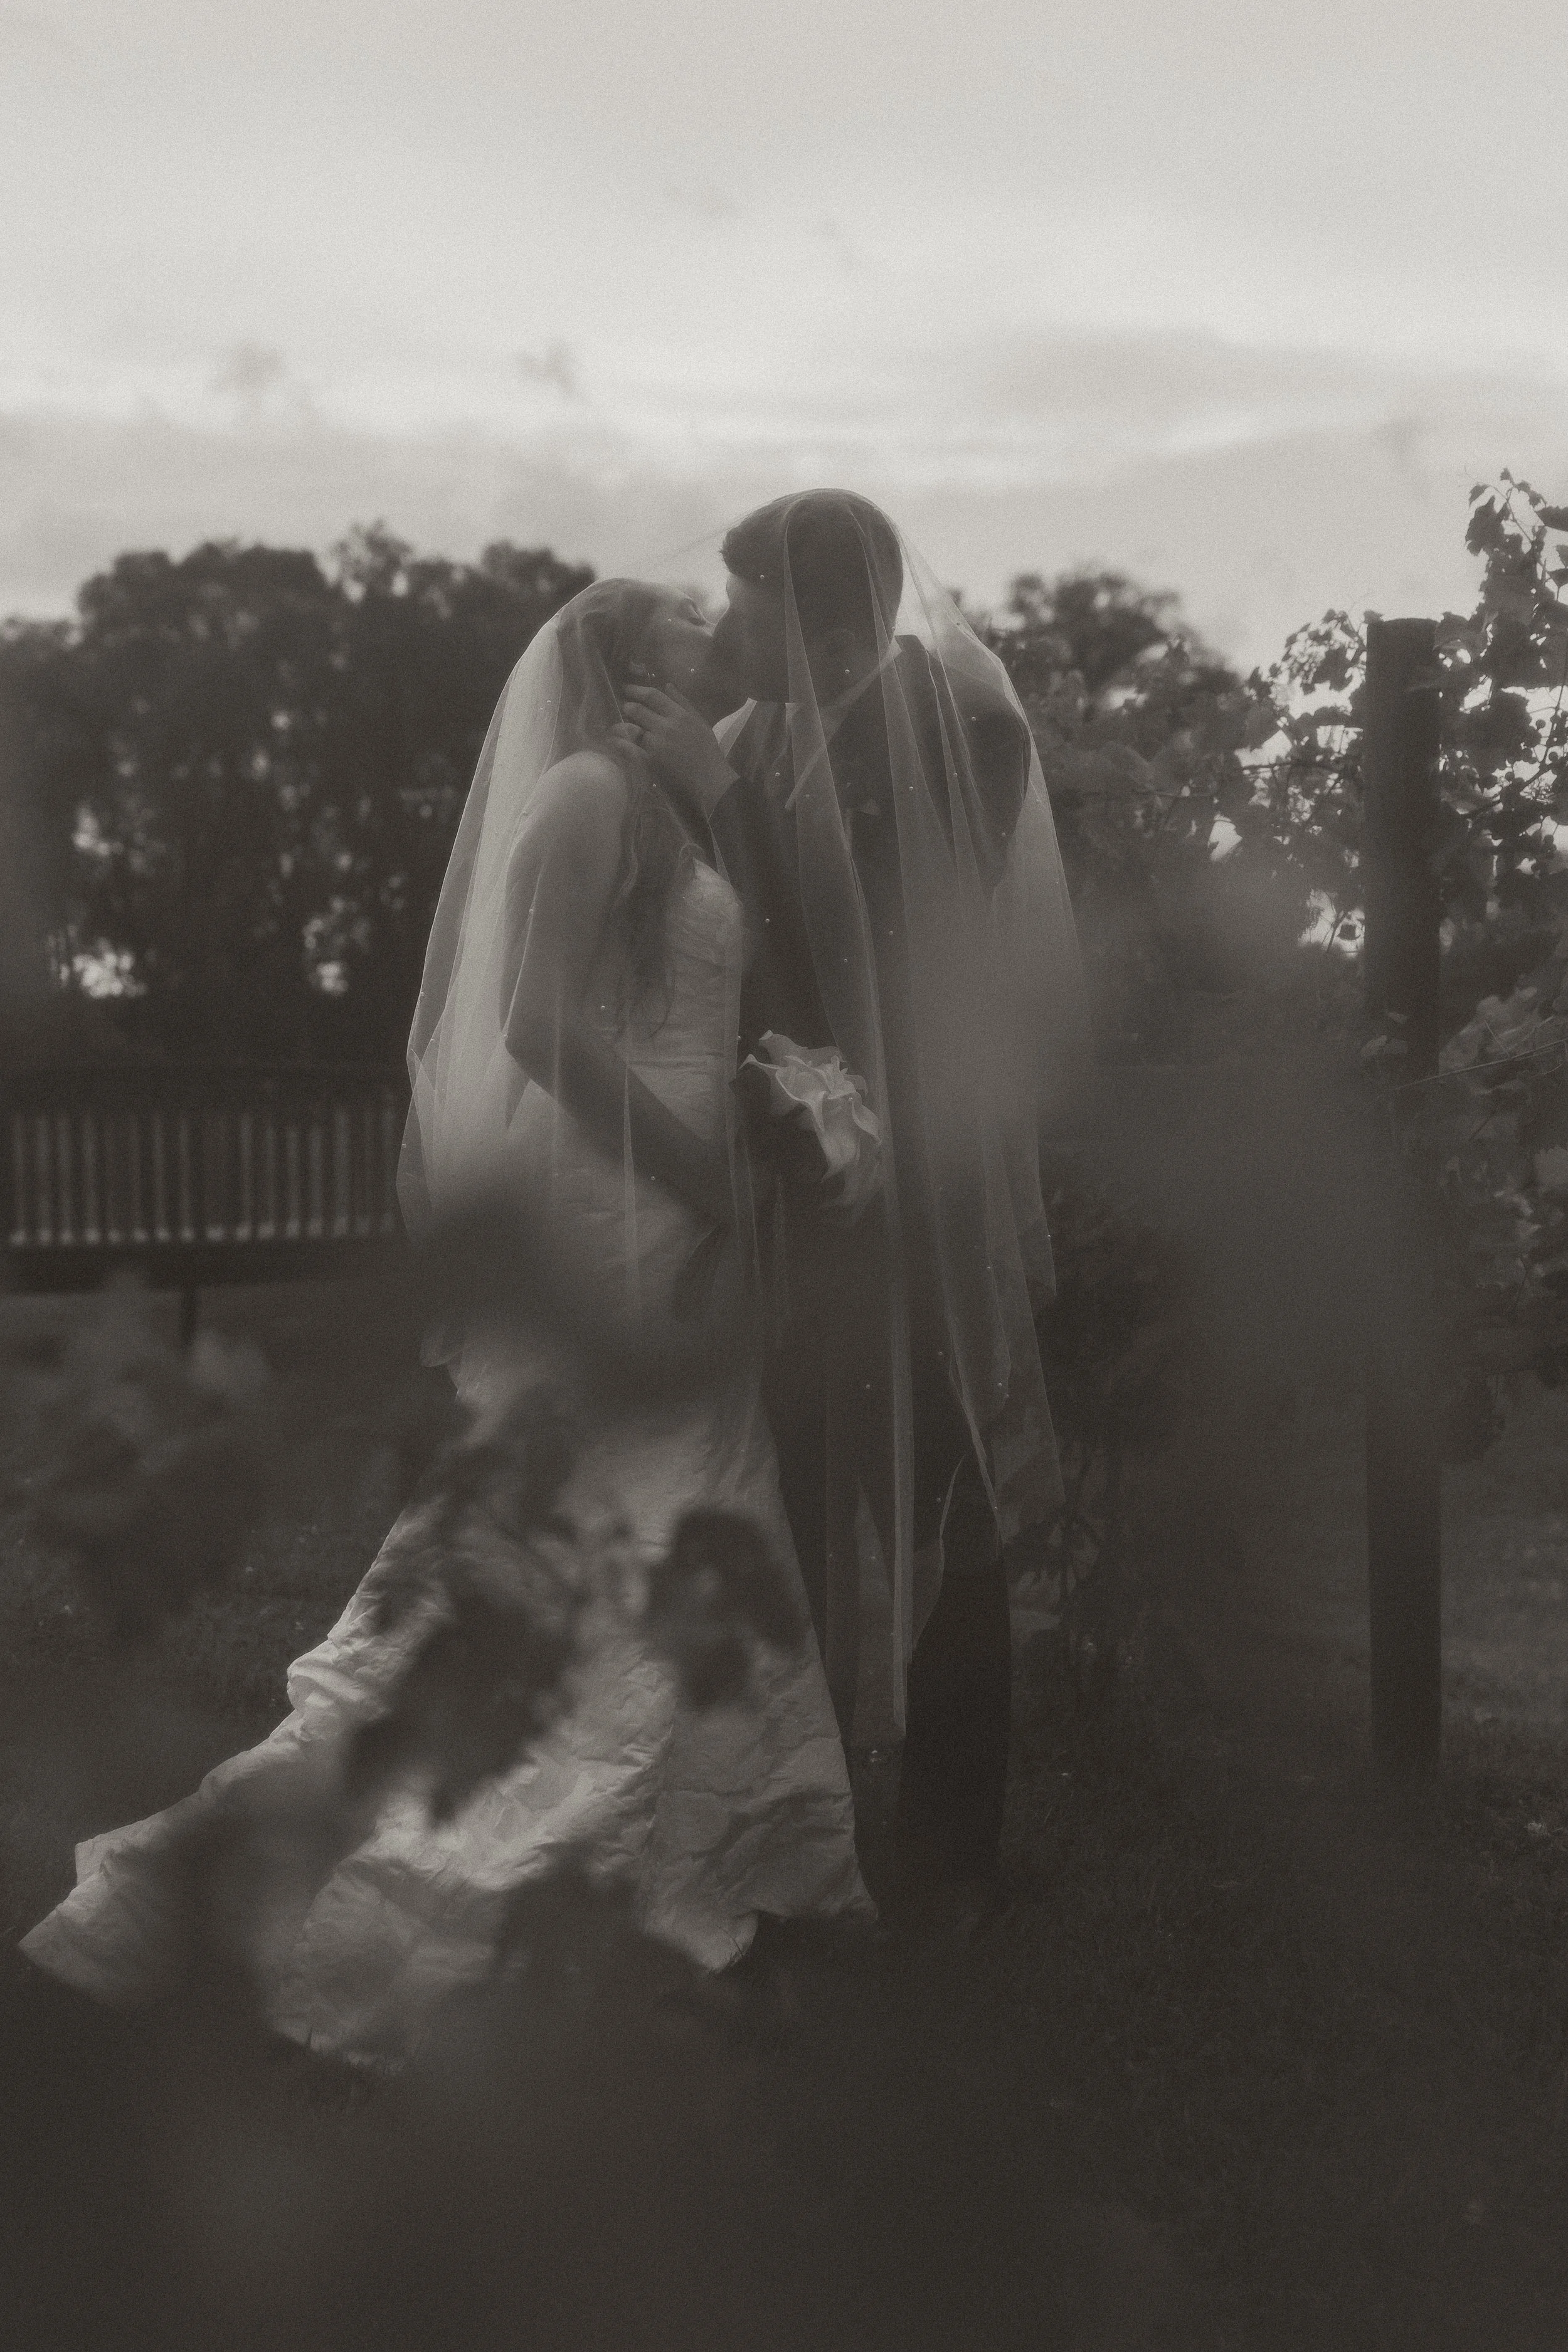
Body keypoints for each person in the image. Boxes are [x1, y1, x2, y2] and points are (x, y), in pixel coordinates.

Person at [21, 581, 872, 2065]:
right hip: (620, 1217)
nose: (706, 631)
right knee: (624, 1510)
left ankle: (728, 1849)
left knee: (690, 1511)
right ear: (621, 663)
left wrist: (759, 1132)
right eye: (678, 622)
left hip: (687, 1204)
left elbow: (695, 1007)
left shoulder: (671, 808)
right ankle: (506, 1861)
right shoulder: (582, 797)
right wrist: (699, 1176)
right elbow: (539, 1030)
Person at [622, 493, 1089, 1912]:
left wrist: (721, 804)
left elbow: (864, 963)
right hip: (776, 1182)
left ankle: (954, 1844)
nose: (724, 629)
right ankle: (796, 1821)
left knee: (933, 1499)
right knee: (792, 1495)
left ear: (824, 630)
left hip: (902, 1188)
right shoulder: (758, 735)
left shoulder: (960, 733)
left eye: (747, 607)